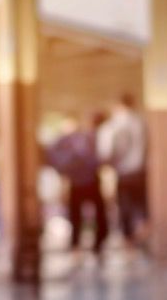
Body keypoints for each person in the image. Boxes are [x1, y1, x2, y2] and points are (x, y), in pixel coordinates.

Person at [48, 113, 108, 257]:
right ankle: (88, 244)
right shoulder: (71, 140)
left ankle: (84, 244)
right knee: (82, 214)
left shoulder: (81, 138)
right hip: (83, 181)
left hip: (83, 181)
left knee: (83, 214)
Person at [98, 93, 148, 249]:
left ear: (118, 105)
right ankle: (142, 229)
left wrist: (108, 164)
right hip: (141, 171)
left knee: (125, 207)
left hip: (123, 172)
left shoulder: (114, 124)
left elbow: (107, 149)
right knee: (140, 205)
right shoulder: (141, 122)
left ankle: (129, 242)